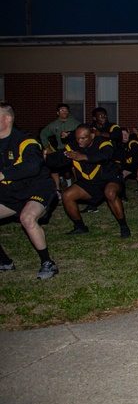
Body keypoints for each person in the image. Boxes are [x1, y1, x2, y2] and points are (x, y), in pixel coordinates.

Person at [0, 102, 59, 279]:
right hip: (11, 191)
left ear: (8, 118)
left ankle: (48, 263)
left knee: (27, 217)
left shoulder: (25, 139)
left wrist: (3, 174)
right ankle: (4, 262)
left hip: (38, 186)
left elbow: (33, 165)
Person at [48, 124, 131, 238]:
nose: (80, 141)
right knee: (67, 195)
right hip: (90, 182)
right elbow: (58, 158)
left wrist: (83, 157)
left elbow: (106, 155)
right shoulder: (73, 146)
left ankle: (124, 226)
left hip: (109, 178)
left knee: (110, 193)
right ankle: (80, 227)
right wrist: (43, 157)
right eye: (77, 138)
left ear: (92, 135)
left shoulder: (102, 142)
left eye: (83, 138)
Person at [39, 103, 81, 195]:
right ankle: (58, 192)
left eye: (66, 110)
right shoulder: (54, 125)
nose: (64, 112)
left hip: (73, 150)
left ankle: (77, 187)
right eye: (62, 110)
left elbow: (82, 134)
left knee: (74, 169)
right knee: (53, 168)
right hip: (60, 150)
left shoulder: (75, 123)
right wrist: (47, 147)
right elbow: (43, 134)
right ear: (57, 113)